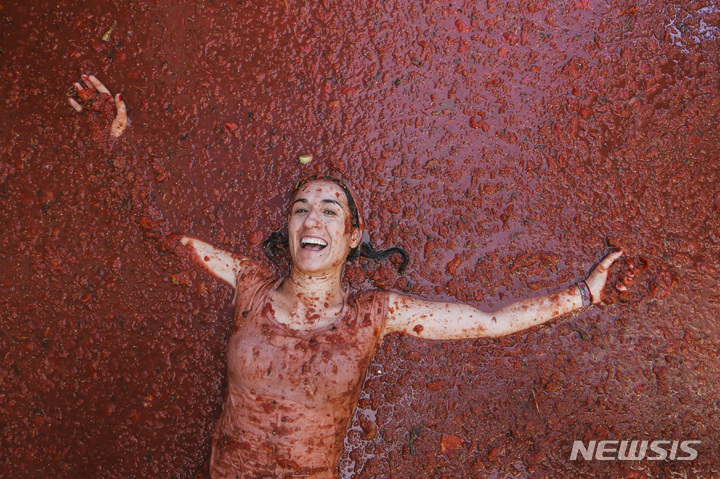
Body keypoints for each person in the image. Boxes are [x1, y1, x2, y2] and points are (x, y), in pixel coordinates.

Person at [70, 77, 628, 478]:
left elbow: (487, 321)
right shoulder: (248, 282)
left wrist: (584, 294)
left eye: (330, 210)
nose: (312, 218)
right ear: (289, 230)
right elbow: (160, 238)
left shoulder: (375, 313)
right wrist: (112, 146)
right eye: (300, 208)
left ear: (352, 236)